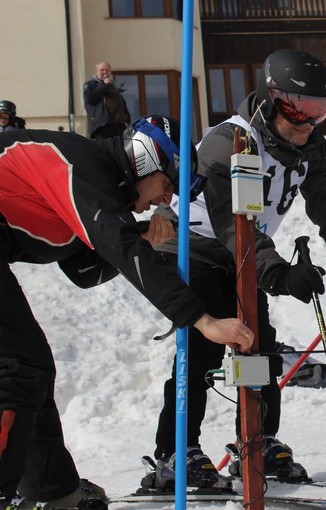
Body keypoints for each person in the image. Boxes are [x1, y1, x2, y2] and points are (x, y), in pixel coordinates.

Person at [147, 49, 326, 488]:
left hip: (243, 256)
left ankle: (257, 442)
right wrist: (277, 274)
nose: (306, 123)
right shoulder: (232, 143)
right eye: (296, 110)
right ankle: (175, 452)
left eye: (318, 112)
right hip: (195, 247)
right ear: (267, 99)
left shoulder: (309, 149)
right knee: (202, 349)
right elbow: (230, 221)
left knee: (260, 350)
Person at [0, 115, 255, 509]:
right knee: (20, 365)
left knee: (30, 367)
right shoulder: (80, 164)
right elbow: (118, 246)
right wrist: (202, 320)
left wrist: (139, 237)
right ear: (143, 158)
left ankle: (53, 492)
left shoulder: (96, 191)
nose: (165, 199)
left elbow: (83, 269)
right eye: (167, 184)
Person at [83, 61, 131, 139]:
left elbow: (122, 105)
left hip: (118, 127)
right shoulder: (90, 85)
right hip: (101, 127)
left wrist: (127, 122)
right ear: (96, 71)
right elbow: (91, 98)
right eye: (102, 70)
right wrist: (105, 85)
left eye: (107, 70)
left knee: (119, 150)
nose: (105, 72)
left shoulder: (114, 87)